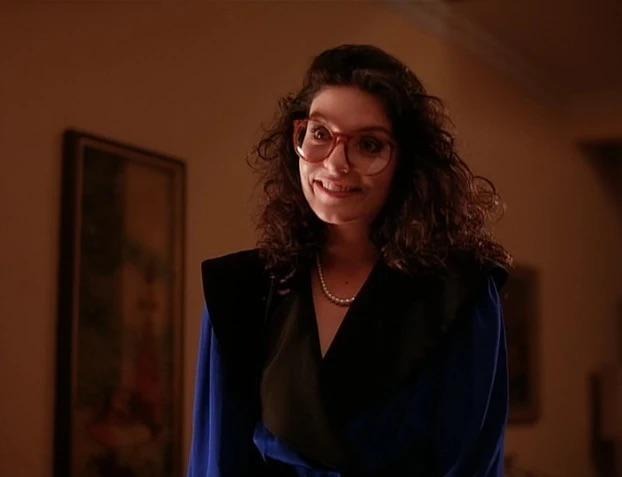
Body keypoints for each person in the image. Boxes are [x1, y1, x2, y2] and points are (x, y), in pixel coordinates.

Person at [187, 44, 512, 477]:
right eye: (320, 134)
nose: (336, 164)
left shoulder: (461, 294)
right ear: (297, 139)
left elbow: (472, 465)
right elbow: (216, 463)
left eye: (369, 144)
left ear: (406, 162)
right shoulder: (238, 289)